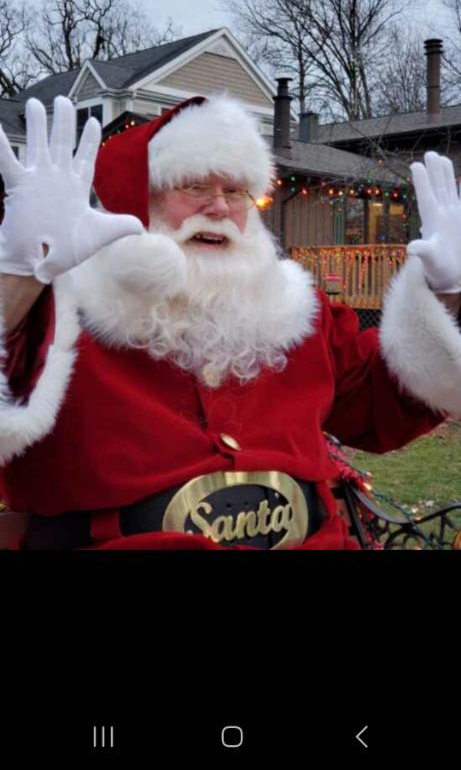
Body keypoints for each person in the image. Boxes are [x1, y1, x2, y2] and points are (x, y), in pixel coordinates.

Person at [0, 93, 461, 550]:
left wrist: (445, 293)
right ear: (139, 199)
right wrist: (20, 277)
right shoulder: (61, 314)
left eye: (235, 191)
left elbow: (383, 403)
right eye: (194, 186)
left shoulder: (297, 312)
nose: (219, 208)